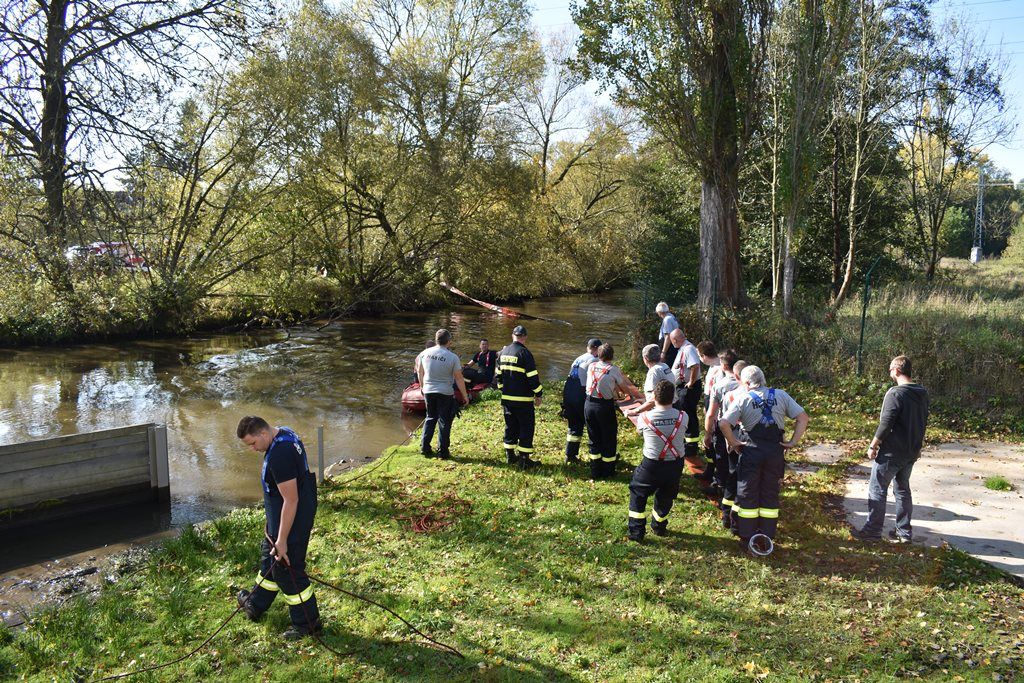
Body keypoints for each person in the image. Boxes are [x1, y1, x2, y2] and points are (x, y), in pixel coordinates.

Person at [235, 417, 322, 640]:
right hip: (286, 515)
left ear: (263, 434)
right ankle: (255, 604)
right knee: (269, 559)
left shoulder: (279, 456)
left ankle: (307, 624)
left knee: (287, 570)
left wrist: (282, 539)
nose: (253, 449)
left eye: (252, 443)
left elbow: (290, 500)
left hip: (292, 520)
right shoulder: (285, 432)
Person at [719, 366, 809, 552]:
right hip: (774, 453)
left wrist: (734, 442)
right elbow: (803, 418)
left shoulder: (743, 398)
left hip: (751, 452)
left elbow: (724, 423)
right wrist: (792, 442)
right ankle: (767, 534)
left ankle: (747, 536)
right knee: (769, 493)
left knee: (747, 493)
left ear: (745, 383)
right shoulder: (782, 395)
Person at [852, 355, 930, 544]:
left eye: (890, 370)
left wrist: (873, 445)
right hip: (911, 451)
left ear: (896, 370)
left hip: (892, 452)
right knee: (903, 490)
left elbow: (886, 424)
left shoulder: (895, 393)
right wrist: (917, 446)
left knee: (877, 489)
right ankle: (904, 533)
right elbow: (922, 422)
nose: (889, 373)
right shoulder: (922, 393)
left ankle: (872, 532)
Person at [627, 380, 688, 542]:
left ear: (654, 397)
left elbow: (641, 432)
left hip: (651, 465)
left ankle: (636, 532)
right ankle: (659, 526)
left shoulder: (645, 417)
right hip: (675, 464)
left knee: (637, 493)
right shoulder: (683, 416)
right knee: (666, 495)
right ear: (673, 398)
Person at [584, 343, 642, 479]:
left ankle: (595, 470)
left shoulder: (591, 366)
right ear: (612, 356)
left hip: (589, 404)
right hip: (604, 406)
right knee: (609, 437)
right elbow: (623, 387)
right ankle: (608, 470)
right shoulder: (613, 369)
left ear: (599, 355)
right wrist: (631, 396)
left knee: (594, 436)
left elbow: (599, 382)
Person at [415, 329, 469, 459]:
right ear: (449, 342)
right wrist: (465, 396)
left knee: (430, 417)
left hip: (428, 390)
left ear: (436, 340)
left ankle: (425, 447)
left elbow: (419, 372)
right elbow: (459, 378)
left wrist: (422, 387)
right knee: (444, 421)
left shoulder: (424, 353)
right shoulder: (452, 357)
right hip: (445, 392)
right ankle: (442, 452)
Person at [703, 350, 741, 526]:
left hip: (723, 426)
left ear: (724, 365)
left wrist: (708, 433)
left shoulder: (720, 386)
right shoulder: (745, 383)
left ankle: (723, 489)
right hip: (742, 428)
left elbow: (711, 414)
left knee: (722, 458)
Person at [497, 325, 543, 469]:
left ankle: (510, 455)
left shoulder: (503, 352)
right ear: (524, 337)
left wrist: (503, 390)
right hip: (523, 400)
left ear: (513, 336)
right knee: (526, 427)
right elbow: (532, 377)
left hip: (507, 399)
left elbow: (498, 377)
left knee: (510, 426)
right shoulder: (525, 353)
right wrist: (538, 393)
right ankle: (524, 459)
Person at [668, 328, 704, 468]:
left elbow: (695, 366)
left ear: (675, 340)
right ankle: (688, 443)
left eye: (672, 341)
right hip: (683, 386)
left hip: (688, 388)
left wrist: (690, 383)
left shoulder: (688, 349)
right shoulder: (683, 348)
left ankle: (691, 446)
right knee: (685, 413)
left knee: (688, 414)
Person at [561, 338, 601, 464]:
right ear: (596, 349)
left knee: (574, 425)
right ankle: (598, 456)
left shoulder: (579, 358)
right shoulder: (594, 360)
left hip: (568, 393)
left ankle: (570, 455)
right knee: (593, 425)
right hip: (579, 394)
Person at [626, 344, 676, 416]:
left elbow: (654, 399)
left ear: (645, 358)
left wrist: (635, 411)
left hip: (661, 412)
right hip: (673, 407)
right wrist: (646, 400)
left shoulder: (653, 372)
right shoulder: (665, 366)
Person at [655, 302, 680, 369]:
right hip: (674, 344)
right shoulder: (671, 316)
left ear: (659, 312)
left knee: (667, 366)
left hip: (669, 347)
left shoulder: (667, 320)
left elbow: (668, 337)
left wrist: (663, 352)